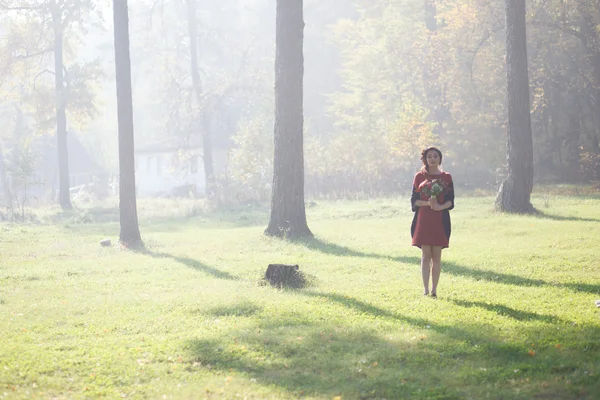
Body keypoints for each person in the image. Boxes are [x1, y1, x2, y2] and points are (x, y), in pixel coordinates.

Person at [410, 147, 454, 298]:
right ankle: (425, 289)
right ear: (425, 159)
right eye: (429, 156)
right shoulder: (418, 177)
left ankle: (435, 290)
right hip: (424, 221)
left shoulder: (446, 177)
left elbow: (451, 201)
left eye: (435, 156)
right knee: (425, 256)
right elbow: (414, 201)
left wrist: (440, 206)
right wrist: (428, 204)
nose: (433, 158)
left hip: (440, 221)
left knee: (437, 256)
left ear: (440, 159)